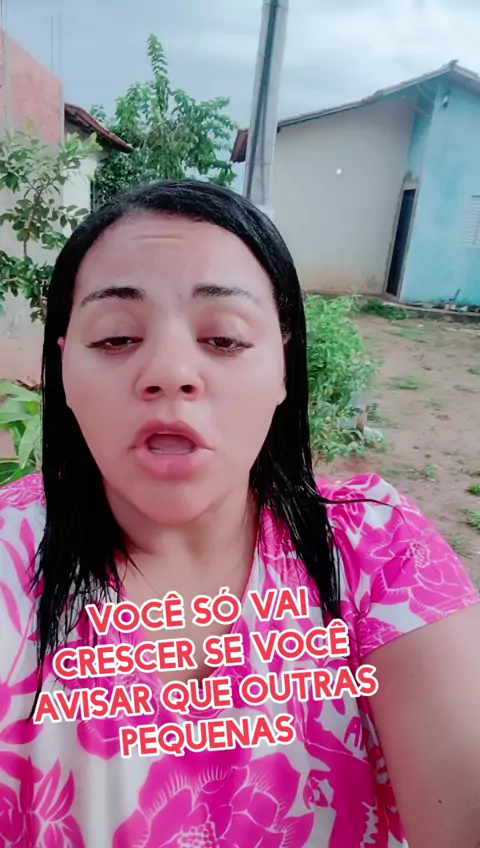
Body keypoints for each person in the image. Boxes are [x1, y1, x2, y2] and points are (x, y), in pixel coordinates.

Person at [0, 180, 478, 848]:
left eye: (223, 338)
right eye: (115, 338)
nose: (170, 371)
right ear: (63, 372)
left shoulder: (379, 552)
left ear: (284, 367)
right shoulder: (9, 557)